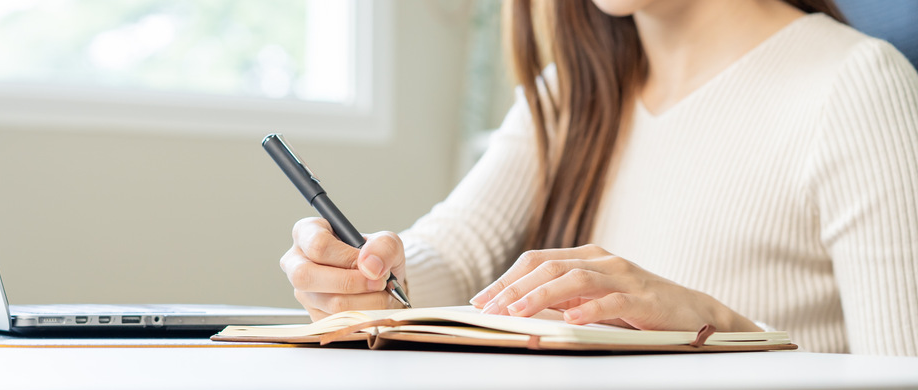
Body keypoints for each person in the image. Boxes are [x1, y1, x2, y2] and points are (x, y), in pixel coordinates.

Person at [279, 0, 918, 356]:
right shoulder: (570, 94)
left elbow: (902, 370)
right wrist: (368, 275)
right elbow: (456, 249)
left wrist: (725, 332)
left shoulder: (857, 86)